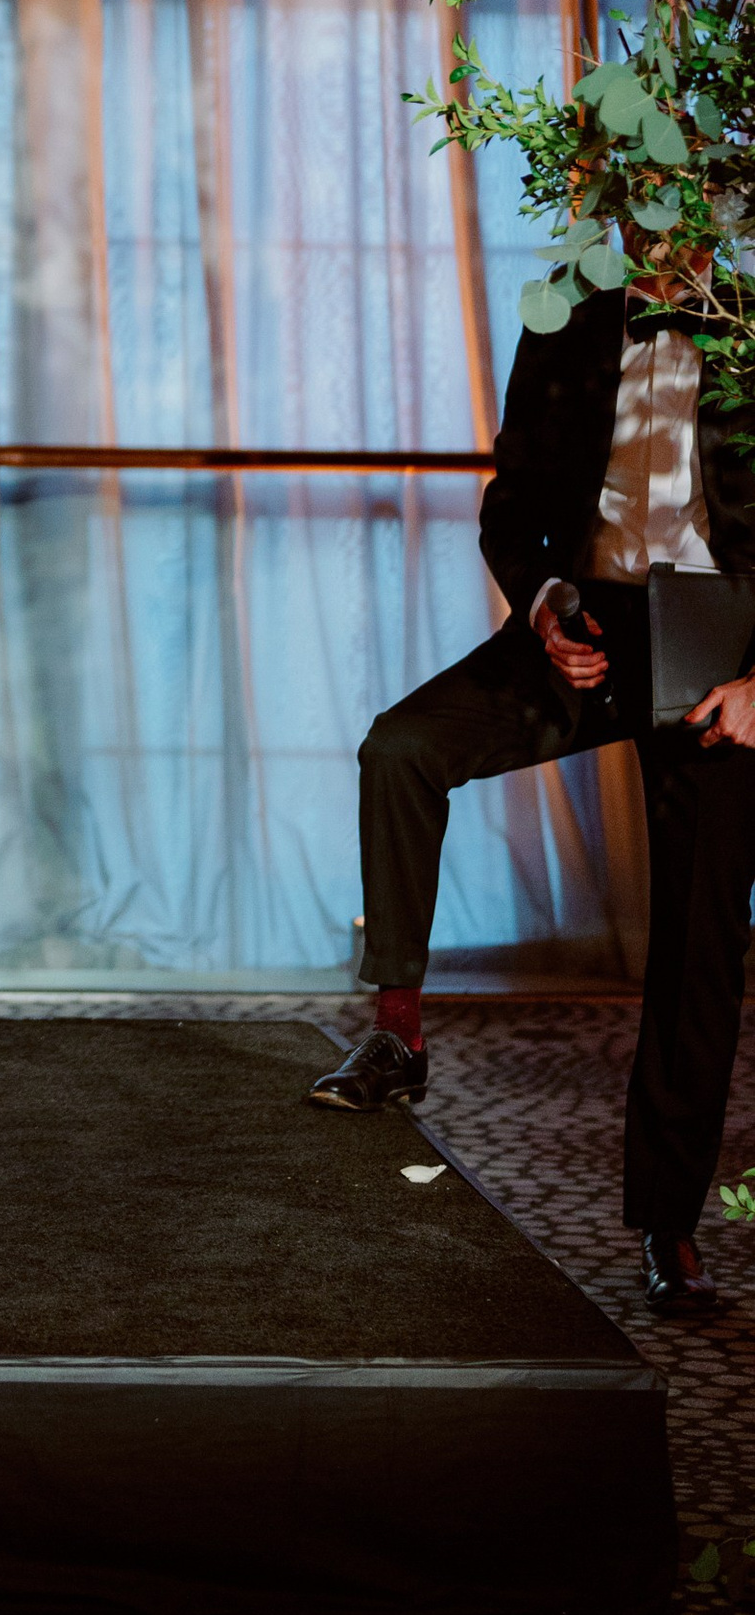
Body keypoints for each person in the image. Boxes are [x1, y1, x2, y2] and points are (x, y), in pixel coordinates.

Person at [312, 263, 755, 1324]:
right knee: (402, 748)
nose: (649, 220)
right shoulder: (563, 312)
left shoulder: (745, 320)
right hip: (591, 618)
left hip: (719, 635)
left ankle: (670, 1226)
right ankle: (398, 1029)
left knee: (699, 944)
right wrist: (543, 600)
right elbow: (511, 499)